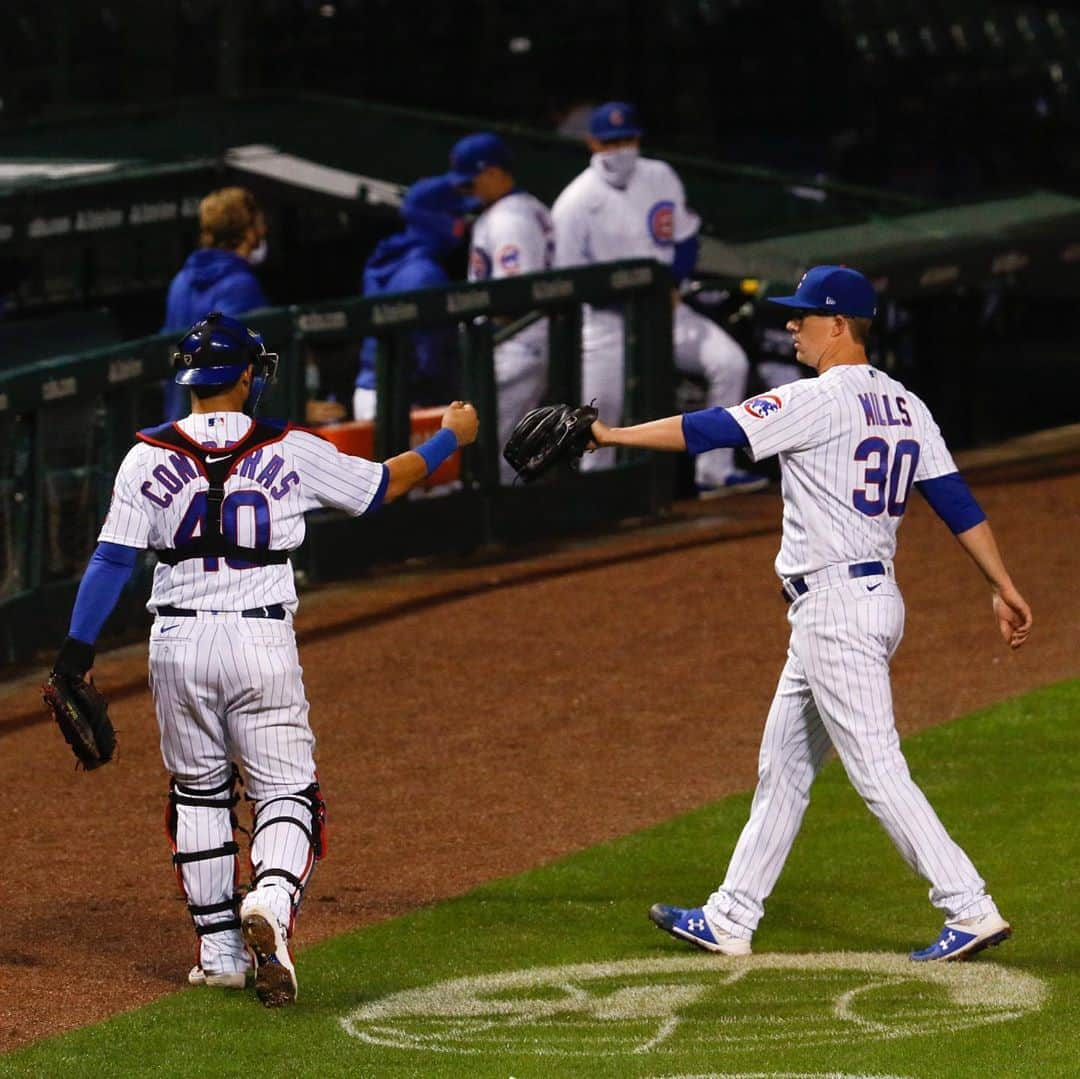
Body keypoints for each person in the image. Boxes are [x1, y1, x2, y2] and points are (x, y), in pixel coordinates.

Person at [588, 265, 1032, 961]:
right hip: (868, 601)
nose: (790, 325)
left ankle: (969, 905)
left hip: (835, 611)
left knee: (877, 768)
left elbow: (709, 429)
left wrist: (610, 435)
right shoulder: (906, 404)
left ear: (838, 324)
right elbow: (954, 500)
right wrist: (1003, 582)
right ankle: (731, 913)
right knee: (786, 766)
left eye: (802, 315)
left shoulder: (817, 399)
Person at [47, 312, 478, 1006]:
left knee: (198, 792)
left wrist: (75, 655)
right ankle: (271, 903)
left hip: (176, 645)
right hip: (259, 640)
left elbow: (112, 559)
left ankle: (219, 954)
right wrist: (448, 439)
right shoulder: (291, 446)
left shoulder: (144, 456)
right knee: (286, 792)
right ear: (246, 375)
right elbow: (380, 486)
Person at [551, 101, 763, 496]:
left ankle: (714, 471)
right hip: (606, 321)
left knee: (730, 363)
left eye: (628, 138)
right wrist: (637, 301)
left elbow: (684, 241)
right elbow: (567, 281)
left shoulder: (660, 176)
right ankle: (596, 494)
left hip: (670, 311)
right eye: (611, 141)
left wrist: (670, 284)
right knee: (599, 410)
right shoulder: (574, 202)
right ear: (592, 143)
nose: (621, 148)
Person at [447, 131, 555, 484]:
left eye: (471, 182)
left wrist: (490, 331)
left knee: (489, 450)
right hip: (515, 344)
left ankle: (500, 528)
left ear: (494, 173)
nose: (467, 192)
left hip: (517, 344)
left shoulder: (511, 220)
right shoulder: (521, 208)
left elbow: (516, 298)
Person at [353, 175, 469, 421]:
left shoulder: (387, 256)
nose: (461, 225)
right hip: (403, 402)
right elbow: (429, 359)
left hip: (370, 390)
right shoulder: (425, 273)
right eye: (455, 216)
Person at [161, 187, 270, 422]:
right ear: (248, 233)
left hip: (180, 424)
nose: (264, 231)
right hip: (225, 429)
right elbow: (241, 366)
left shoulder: (180, 281)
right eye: (259, 224)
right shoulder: (240, 285)